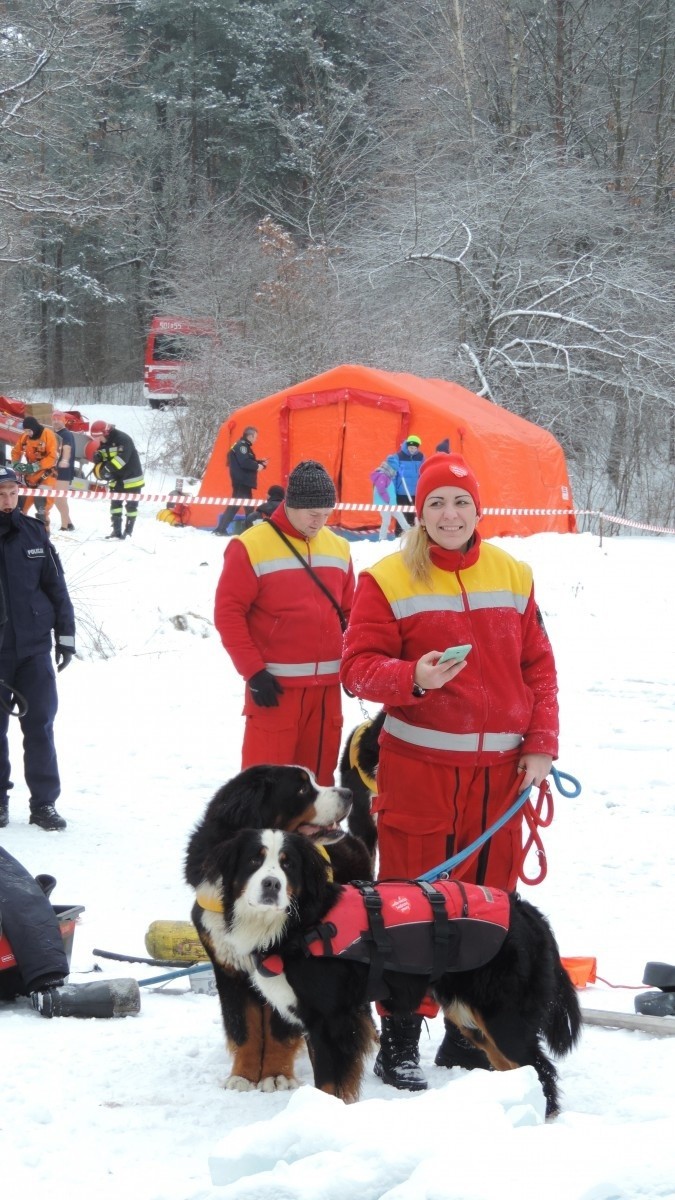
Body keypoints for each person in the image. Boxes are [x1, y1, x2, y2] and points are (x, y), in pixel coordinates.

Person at [340, 451, 559, 1092]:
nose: (449, 513)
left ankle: (471, 1036)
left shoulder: (513, 573)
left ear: (477, 507)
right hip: (422, 771)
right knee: (413, 907)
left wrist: (541, 742)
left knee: (487, 907)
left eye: (460, 501)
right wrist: (413, 677)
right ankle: (401, 1038)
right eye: (436, 502)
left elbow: (539, 667)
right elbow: (357, 667)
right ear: (419, 510)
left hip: (501, 777)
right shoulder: (387, 578)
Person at [214, 460, 354, 785]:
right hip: (275, 688)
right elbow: (228, 613)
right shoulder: (249, 546)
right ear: (291, 504)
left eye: (326, 513)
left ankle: (314, 839)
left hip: (327, 692)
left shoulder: (339, 547)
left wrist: (353, 663)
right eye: (312, 514)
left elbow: (351, 615)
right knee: (266, 787)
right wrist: (253, 671)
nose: (320, 522)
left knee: (319, 787)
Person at [0, 465, 75, 831]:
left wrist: (65, 636)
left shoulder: (33, 533)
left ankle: (44, 804)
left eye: (13, 493)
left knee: (40, 727)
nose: (8, 500)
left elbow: (56, 587)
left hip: (33, 651)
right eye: (1, 494)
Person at [88, 420, 144, 539]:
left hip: (131, 479)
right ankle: (116, 532)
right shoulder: (105, 441)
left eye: (99, 438)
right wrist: (98, 456)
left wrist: (107, 469)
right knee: (115, 505)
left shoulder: (123, 439)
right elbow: (104, 453)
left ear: (106, 433)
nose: (99, 441)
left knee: (131, 507)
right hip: (116, 478)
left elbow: (122, 459)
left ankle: (128, 532)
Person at [214, 426, 268, 536]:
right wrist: (257, 466)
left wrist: (260, 463)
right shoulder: (242, 446)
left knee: (247, 507)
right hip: (241, 482)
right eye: (255, 437)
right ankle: (222, 529)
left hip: (243, 481)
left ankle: (247, 530)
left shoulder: (243, 446)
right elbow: (244, 462)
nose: (256, 439)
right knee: (237, 506)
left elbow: (247, 461)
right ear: (250, 436)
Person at [11, 416, 60, 528]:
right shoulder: (25, 437)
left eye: (29, 431)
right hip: (30, 477)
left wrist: (36, 466)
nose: (27, 433)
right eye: (26, 431)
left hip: (46, 476)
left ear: (34, 428)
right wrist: (15, 463)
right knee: (20, 508)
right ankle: (19, 532)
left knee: (42, 509)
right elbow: (16, 450)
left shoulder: (47, 435)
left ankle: (44, 536)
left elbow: (52, 457)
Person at [370, 457, 409, 540]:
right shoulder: (382, 476)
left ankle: (410, 534)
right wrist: (387, 499)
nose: (395, 472)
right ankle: (382, 538)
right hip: (384, 504)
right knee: (387, 520)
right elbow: (381, 489)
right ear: (390, 468)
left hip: (391, 503)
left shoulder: (386, 476)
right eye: (394, 470)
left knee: (400, 517)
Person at [391, 435, 425, 528]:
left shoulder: (421, 457)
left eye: (414, 448)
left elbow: (423, 473)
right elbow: (393, 475)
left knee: (414, 515)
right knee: (402, 514)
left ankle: (412, 535)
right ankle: (399, 535)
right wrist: (393, 491)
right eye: (410, 447)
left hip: (416, 492)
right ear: (407, 446)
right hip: (402, 492)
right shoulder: (398, 456)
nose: (412, 450)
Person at [52, 412, 76, 532]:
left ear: (64, 421)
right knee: (59, 499)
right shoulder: (57, 434)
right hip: (57, 471)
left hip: (64, 472)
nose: (56, 421)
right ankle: (69, 523)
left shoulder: (66, 434)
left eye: (59, 419)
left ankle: (64, 526)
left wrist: (65, 460)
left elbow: (67, 448)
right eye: (54, 419)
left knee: (60, 499)